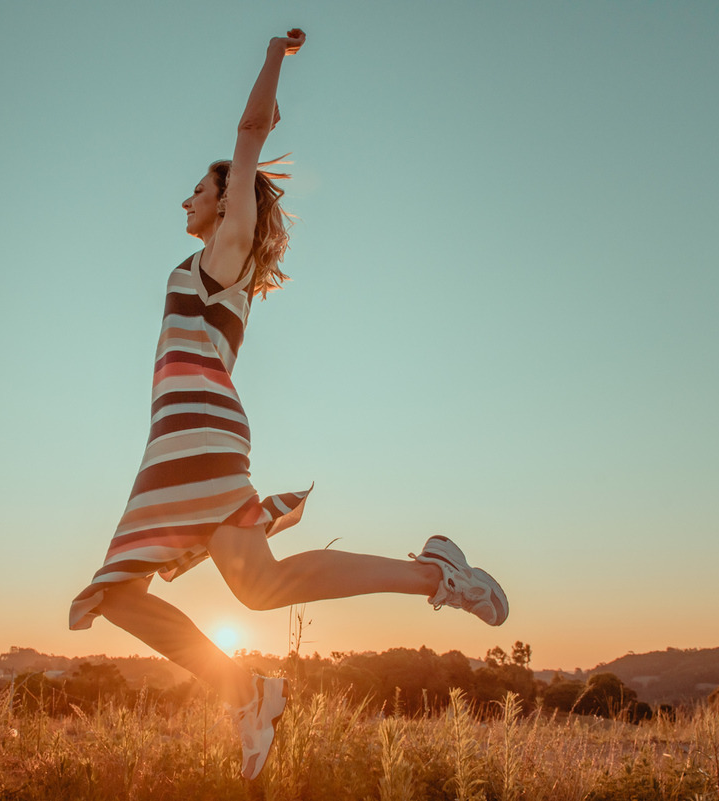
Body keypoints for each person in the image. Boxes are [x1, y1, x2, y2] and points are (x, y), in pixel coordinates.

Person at [68, 28, 508, 781]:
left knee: (112, 592)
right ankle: (438, 578)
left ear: (227, 201)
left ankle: (240, 686)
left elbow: (248, 131)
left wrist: (274, 54)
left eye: (200, 189)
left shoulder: (223, 250)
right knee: (258, 586)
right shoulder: (219, 266)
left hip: (194, 436)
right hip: (191, 437)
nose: (188, 197)